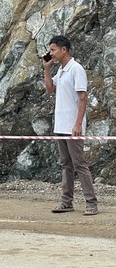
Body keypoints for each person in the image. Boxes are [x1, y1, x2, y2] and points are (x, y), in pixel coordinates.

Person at [43, 35, 98, 215]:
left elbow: (83, 97)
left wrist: (78, 124)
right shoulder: (61, 70)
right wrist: (47, 69)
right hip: (61, 125)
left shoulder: (76, 69)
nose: (51, 53)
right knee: (66, 164)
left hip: (73, 126)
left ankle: (91, 202)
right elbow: (51, 89)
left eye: (53, 50)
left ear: (63, 49)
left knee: (79, 164)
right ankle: (67, 201)